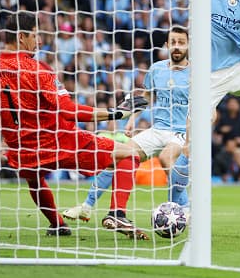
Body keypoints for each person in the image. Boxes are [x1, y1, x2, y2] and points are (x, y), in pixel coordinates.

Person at [0, 13, 149, 239]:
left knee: (34, 180)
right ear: (21, 37)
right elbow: (69, 111)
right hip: (61, 142)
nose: (39, 41)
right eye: (35, 35)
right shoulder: (39, 70)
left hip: (23, 153)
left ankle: (57, 224)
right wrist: (116, 112)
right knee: (130, 155)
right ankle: (117, 213)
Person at [63, 26, 191, 221]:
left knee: (166, 159)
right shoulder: (157, 69)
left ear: (188, 45)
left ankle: (185, 208)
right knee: (119, 155)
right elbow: (146, 98)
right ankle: (87, 206)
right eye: (173, 42)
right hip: (158, 129)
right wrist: (132, 121)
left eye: (181, 43)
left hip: (181, 132)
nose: (177, 47)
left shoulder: (195, 73)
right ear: (166, 45)